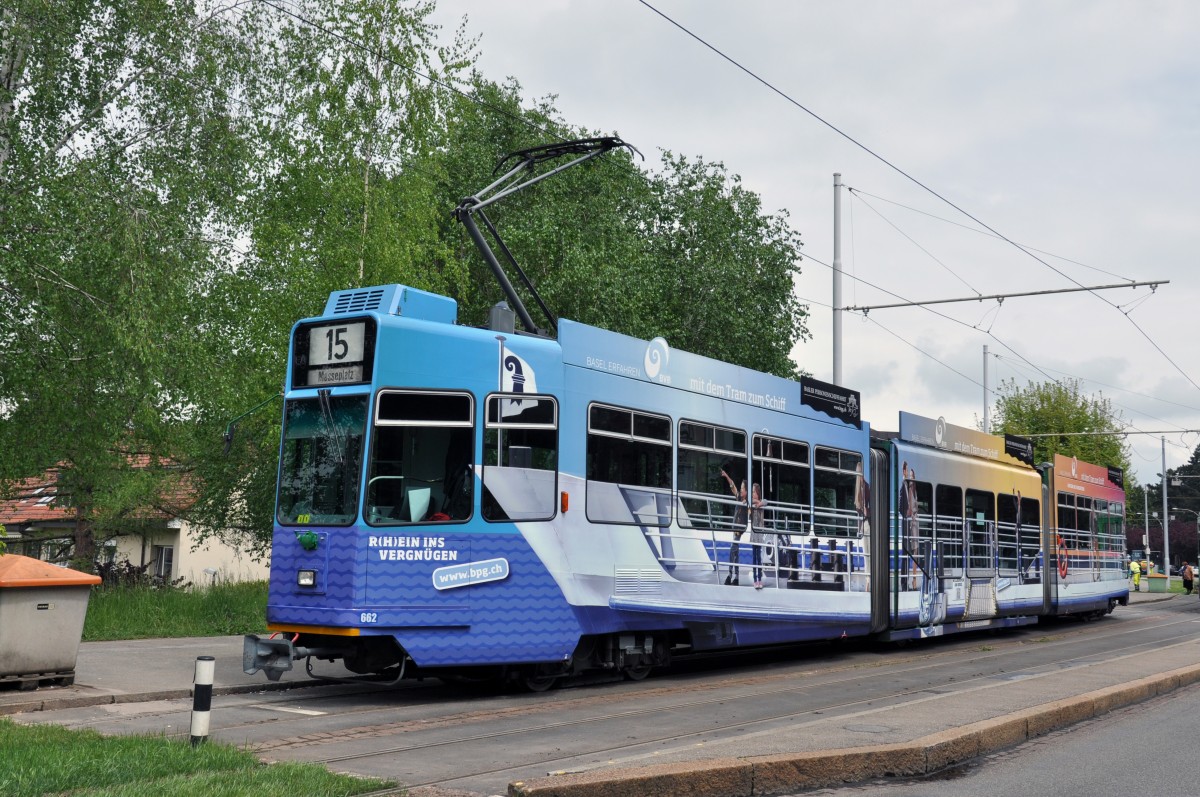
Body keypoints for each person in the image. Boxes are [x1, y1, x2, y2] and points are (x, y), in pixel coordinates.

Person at [720, 469, 747, 586]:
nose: (740, 490)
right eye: (741, 488)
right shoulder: (739, 497)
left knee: (733, 550)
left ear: (746, 491)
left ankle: (730, 575)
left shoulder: (748, 502)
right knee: (735, 551)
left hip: (739, 529)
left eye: (742, 488)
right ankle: (736, 577)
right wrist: (726, 475)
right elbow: (733, 486)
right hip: (734, 526)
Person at [750, 483, 765, 589]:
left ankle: (759, 579)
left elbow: (766, 502)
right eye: (752, 492)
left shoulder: (761, 502)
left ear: (758, 492)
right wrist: (755, 502)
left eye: (754, 492)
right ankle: (755, 580)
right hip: (753, 533)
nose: (752, 493)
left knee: (759, 557)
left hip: (759, 534)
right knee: (754, 557)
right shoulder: (751, 503)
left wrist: (759, 502)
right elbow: (747, 502)